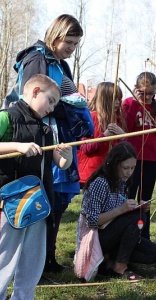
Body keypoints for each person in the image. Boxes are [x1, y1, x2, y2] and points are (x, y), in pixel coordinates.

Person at [8, 14, 94, 272]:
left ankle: (47, 257)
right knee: (43, 197)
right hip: (41, 137)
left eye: (76, 44)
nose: (71, 48)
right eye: (68, 41)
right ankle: (33, 261)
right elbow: (33, 104)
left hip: (61, 138)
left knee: (57, 200)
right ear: (55, 35)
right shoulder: (37, 58)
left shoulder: (61, 64)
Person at [0, 74, 73, 300]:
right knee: (4, 259)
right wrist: (18, 146)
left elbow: (59, 163)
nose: (51, 108)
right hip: (10, 203)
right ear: (35, 91)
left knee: (33, 262)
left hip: (39, 204)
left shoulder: (46, 130)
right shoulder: (7, 118)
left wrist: (66, 156)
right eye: (50, 101)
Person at [80, 141, 156, 280]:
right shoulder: (101, 183)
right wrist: (121, 210)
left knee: (155, 253)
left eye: (132, 168)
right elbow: (92, 221)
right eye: (125, 168)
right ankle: (119, 266)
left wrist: (139, 208)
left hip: (115, 235)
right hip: (96, 238)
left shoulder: (122, 182)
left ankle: (109, 259)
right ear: (114, 164)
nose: (129, 172)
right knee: (137, 217)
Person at [122, 71, 156, 240]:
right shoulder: (128, 102)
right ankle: (126, 232)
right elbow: (127, 127)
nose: (148, 97)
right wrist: (137, 103)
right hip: (132, 158)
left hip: (151, 158)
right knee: (129, 196)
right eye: (144, 93)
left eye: (151, 93)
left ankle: (144, 236)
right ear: (136, 89)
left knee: (145, 200)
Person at [78, 82, 126, 188]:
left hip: (109, 173)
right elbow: (86, 148)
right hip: (92, 173)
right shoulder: (91, 118)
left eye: (119, 99)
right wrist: (104, 136)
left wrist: (122, 137)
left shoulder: (117, 120)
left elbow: (121, 151)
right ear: (105, 100)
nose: (118, 103)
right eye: (115, 99)